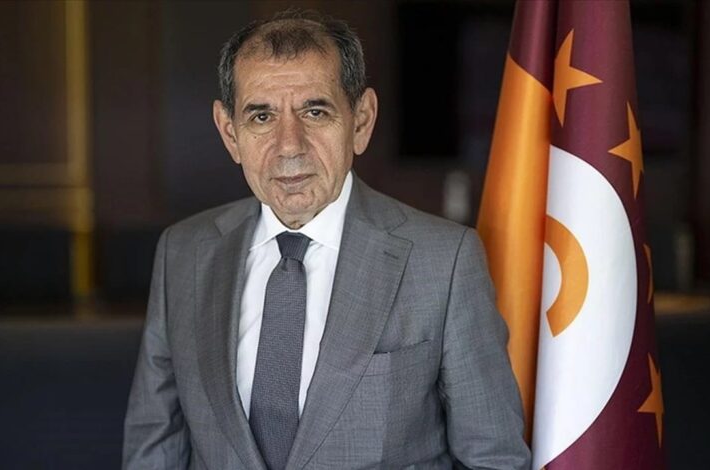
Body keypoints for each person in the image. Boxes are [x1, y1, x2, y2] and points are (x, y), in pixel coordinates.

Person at [123, 10, 530, 470]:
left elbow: (493, 460)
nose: (289, 145)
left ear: (361, 121)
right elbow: (154, 449)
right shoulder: (182, 253)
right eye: (261, 116)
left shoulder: (445, 262)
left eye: (315, 112)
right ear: (230, 132)